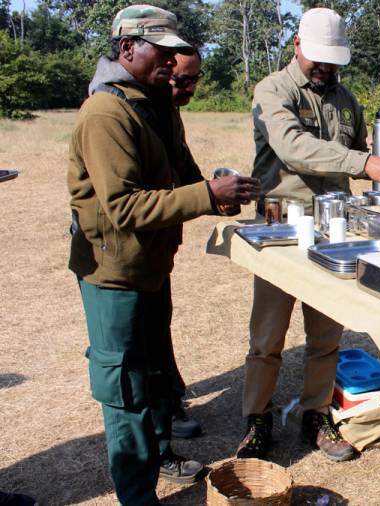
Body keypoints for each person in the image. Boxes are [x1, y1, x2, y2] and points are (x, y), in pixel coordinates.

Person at [68, 5, 260, 504]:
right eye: (163, 50)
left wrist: (224, 193)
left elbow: (185, 177)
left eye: (176, 52)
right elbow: (122, 207)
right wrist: (205, 195)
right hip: (114, 273)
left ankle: (158, 458)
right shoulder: (107, 112)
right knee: (126, 387)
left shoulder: (158, 105)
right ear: (127, 48)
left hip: (151, 266)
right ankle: (136, 495)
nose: (173, 63)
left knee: (154, 375)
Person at [236, 7, 380, 462]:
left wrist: (376, 155)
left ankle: (316, 415)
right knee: (267, 337)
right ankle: (257, 421)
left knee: (326, 335)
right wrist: (365, 162)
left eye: (332, 61)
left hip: (335, 230)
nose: (324, 68)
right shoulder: (272, 90)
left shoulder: (347, 100)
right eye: (317, 59)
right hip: (280, 227)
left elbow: (348, 156)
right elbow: (293, 147)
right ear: (297, 46)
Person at [167, 48, 205, 439]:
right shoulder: (112, 109)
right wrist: (208, 195)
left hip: (158, 247)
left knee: (158, 323)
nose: (190, 87)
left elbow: (183, 161)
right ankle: (164, 413)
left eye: (196, 79)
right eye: (182, 80)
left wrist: (215, 196)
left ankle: (170, 400)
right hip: (118, 256)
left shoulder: (168, 111)